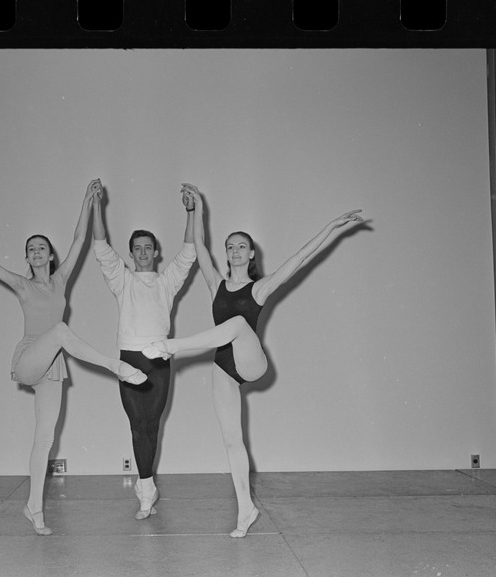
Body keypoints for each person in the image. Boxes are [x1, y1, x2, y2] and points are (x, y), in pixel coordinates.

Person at [143, 183, 365, 537]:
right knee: (232, 440)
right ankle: (245, 509)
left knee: (235, 324)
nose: (233, 251)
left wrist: (333, 227)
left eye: (240, 247)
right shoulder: (215, 282)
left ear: (251, 256)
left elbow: (301, 257)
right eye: (229, 247)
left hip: (252, 361)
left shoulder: (258, 289)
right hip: (224, 367)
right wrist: (195, 207)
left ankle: (172, 346)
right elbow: (199, 246)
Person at [0, 180, 146, 536]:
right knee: (59, 332)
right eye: (31, 249)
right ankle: (115, 367)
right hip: (30, 356)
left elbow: (78, 241)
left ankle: (34, 508)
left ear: (50, 255)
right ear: (27, 259)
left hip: (53, 366)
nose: (37, 252)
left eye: (41, 247)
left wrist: (88, 202)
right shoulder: (21, 285)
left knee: (45, 438)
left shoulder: (59, 282)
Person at [92, 183, 197, 520]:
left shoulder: (166, 282)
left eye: (147, 247)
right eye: (136, 248)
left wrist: (191, 211)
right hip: (130, 360)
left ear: (155, 252)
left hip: (159, 362)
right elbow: (100, 246)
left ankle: (147, 488)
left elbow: (190, 252)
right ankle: (146, 490)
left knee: (153, 425)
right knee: (137, 426)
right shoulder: (122, 281)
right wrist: (96, 204)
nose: (142, 252)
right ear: (131, 252)